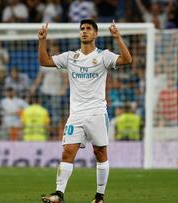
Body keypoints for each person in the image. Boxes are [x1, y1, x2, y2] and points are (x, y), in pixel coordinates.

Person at [39, 19, 132, 203]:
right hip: (76, 115)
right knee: (67, 152)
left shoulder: (103, 56)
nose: (84, 31)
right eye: (82, 28)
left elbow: (127, 59)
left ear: (95, 34)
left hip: (97, 112)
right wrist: (42, 40)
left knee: (100, 153)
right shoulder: (70, 57)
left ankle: (99, 197)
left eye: (89, 28)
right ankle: (59, 194)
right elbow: (44, 61)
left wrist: (117, 37)